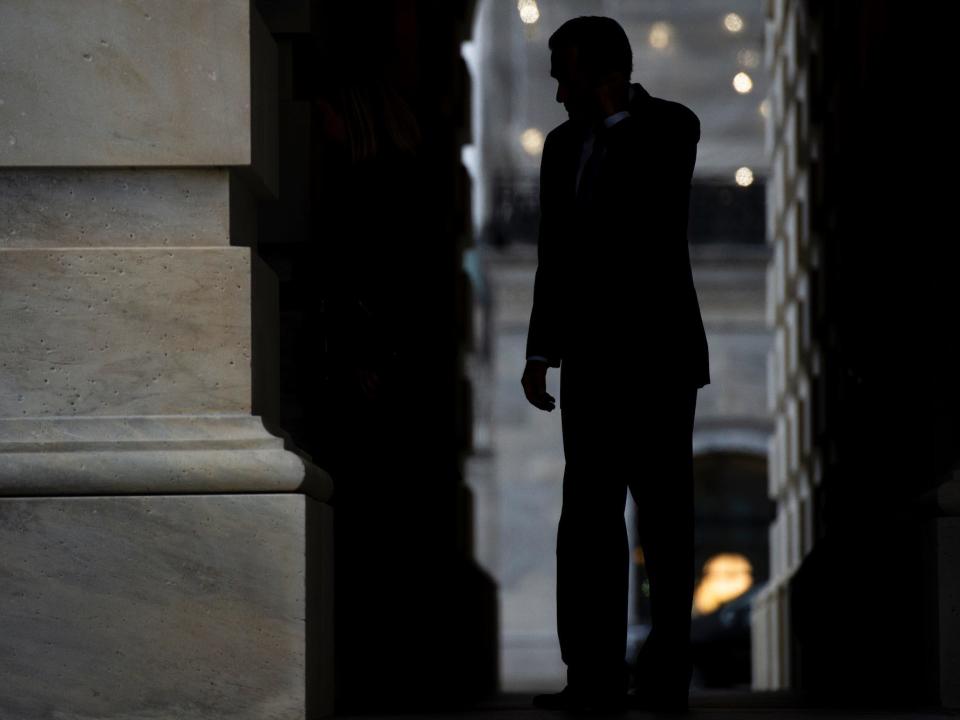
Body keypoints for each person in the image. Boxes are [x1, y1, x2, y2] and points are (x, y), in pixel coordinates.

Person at [520, 15, 709, 715]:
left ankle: (664, 672)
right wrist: (543, 351)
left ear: (604, 73)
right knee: (588, 522)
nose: (554, 86)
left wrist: (613, 120)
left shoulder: (670, 129)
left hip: (659, 360)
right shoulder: (561, 146)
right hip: (592, 365)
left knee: (665, 520)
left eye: (564, 71)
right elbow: (555, 253)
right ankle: (592, 675)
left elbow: (648, 219)